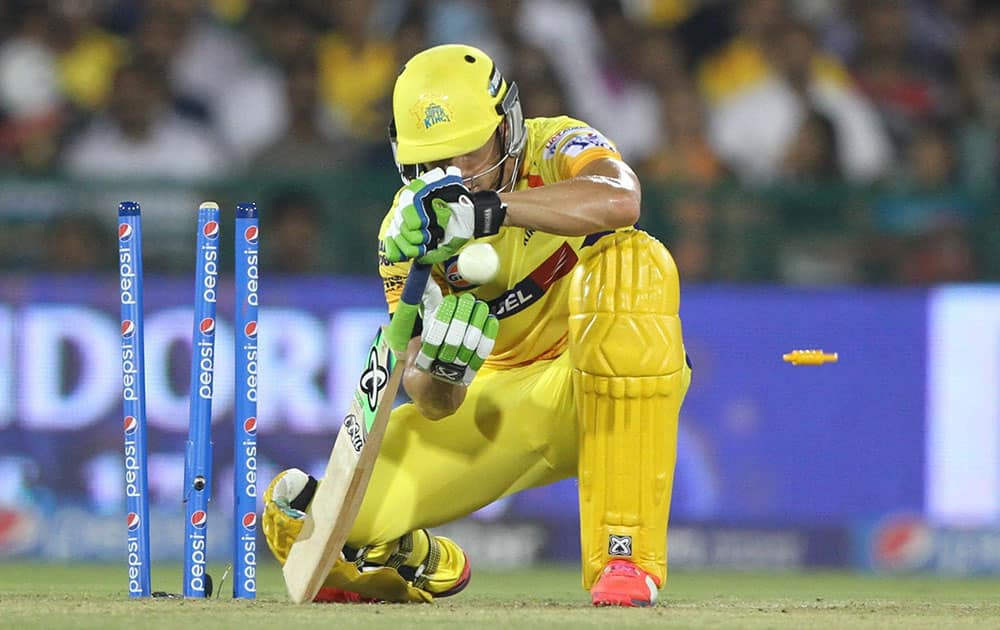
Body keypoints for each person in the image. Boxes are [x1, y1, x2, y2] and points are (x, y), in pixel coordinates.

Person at [262, 43, 691, 607]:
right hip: (499, 413)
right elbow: (429, 397)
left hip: (604, 379)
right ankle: (416, 561)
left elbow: (620, 198)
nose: (456, 174)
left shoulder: (557, 143)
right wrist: (442, 372)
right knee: (300, 522)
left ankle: (625, 558)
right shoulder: (407, 234)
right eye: (435, 162)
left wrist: (491, 207)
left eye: (470, 153)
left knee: (636, 264)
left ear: (507, 126)